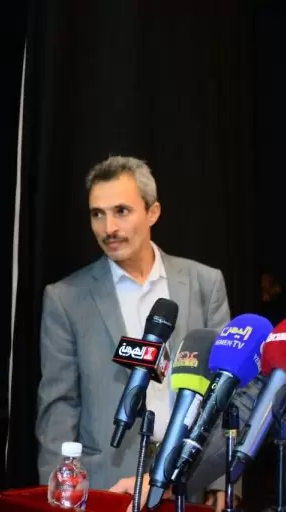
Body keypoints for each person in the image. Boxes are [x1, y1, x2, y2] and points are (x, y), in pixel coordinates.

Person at [36, 156, 248, 510]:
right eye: (97, 214)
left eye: (121, 211)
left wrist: (220, 478)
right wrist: (56, 495)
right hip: (104, 487)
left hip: (186, 483)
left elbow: (223, 393)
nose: (108, 228)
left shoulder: (204, 283)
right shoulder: (65, 298)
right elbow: (59, 407)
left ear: (153, 212)